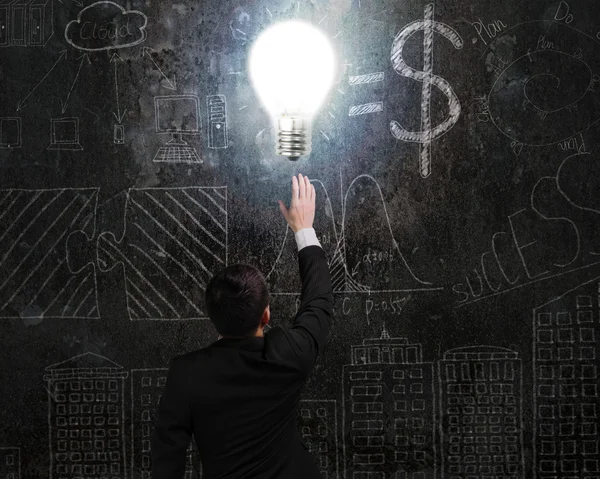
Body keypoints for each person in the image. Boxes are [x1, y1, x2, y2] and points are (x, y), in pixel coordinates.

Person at [151, 173, 334, 478]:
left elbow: (167, 459)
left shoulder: (186, 374)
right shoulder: (289, 356)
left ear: (211, 316)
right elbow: (319, 302)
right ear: (266, 315)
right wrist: (303, 230)